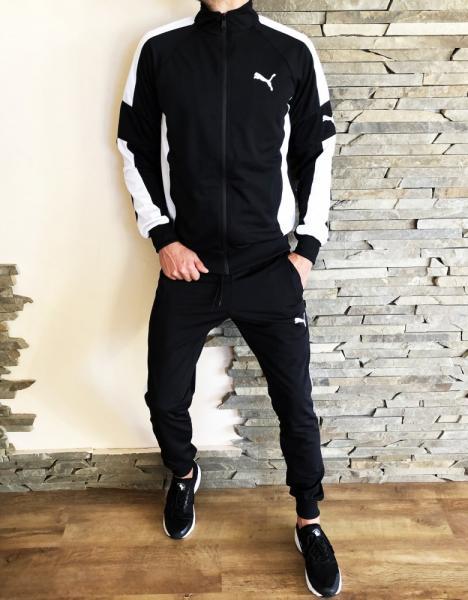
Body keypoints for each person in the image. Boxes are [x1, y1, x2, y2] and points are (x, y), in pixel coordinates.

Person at [116, 0, 341, 595]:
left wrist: (307, 248)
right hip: (188, 263)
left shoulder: (291, 51)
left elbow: (317, 153)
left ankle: (310, 521)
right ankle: (183, 472)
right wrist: (163, 237)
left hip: (268, 263)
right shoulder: (160, 49)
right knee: (164, 395)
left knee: (296, 403)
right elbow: (133, 147)